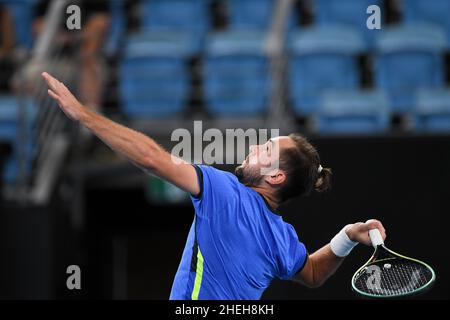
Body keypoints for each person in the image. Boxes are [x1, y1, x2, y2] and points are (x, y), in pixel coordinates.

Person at [41, 72, 387, 300]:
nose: (253, 148)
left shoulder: (223, 190)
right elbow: (312, 272)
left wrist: (83, 115)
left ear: (276, 177)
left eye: (265, 150)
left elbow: (151, 158)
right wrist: (345, 238)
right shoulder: (284, 238)